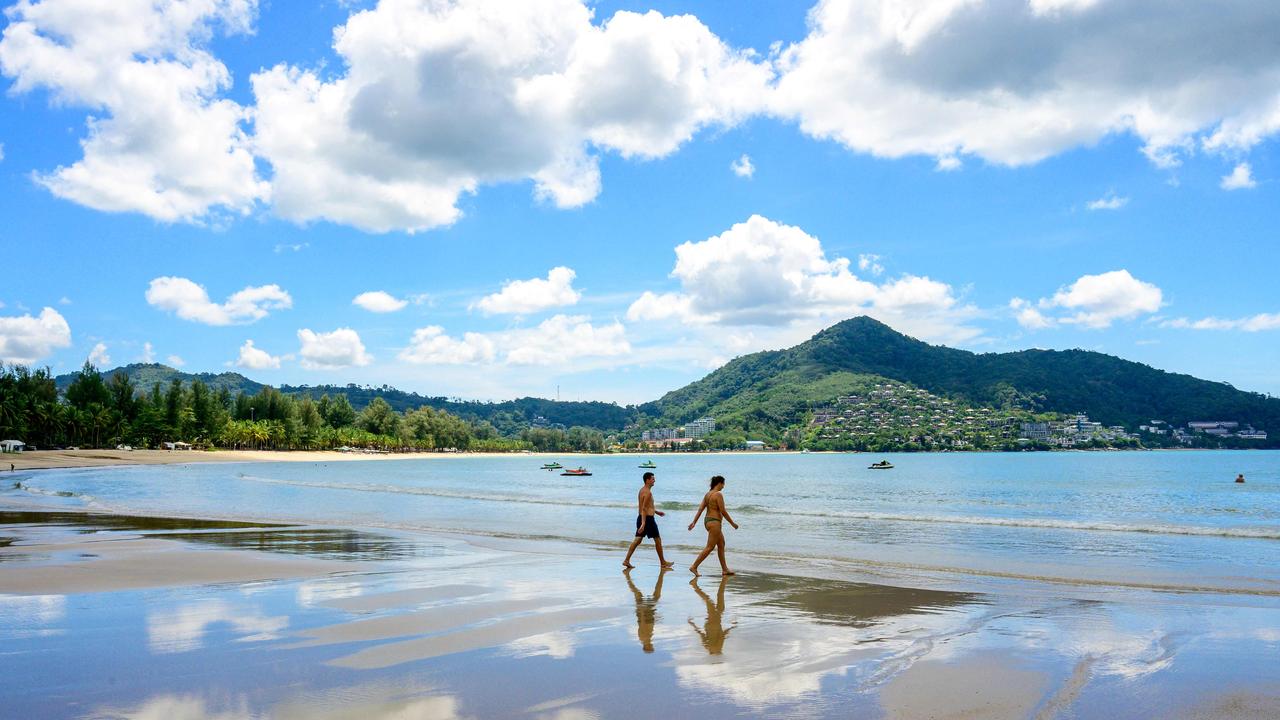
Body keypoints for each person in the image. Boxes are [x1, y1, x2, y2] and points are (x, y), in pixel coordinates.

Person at [687, 475, 738, 576]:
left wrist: (694, 522)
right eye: (723, 484)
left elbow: (700, 509)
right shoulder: (718, 494)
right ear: (719, 483)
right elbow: (723, 511)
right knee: (710, 547)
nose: (723, 486)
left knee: (721, 544)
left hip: (707, 521)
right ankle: (694, 566)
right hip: (715, 522)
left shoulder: (707, 494)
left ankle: (725, 569)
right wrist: (732, 523)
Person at [623, 472, 674, 569]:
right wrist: (643, 523)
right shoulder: (648, 492)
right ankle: (663, 562)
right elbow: (644, 509)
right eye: (653, 479)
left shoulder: (642, 490)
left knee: (637, 540)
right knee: (658, 540)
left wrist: (657, 512)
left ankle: (626, 560)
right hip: (647, 520)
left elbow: (647, 507)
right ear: (647, 480)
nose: (654, 480)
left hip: (642, 517)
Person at [688, 575, 735, 655]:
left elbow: (722, 635)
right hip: (713, 622)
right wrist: (693, 625)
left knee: (709, 601)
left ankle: (694, 586)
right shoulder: (709, 647)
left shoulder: (715, 647)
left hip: (714, 622)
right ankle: (724, 580)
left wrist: (731, 627)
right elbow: (701, 634)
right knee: (716, 600)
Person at [624, 567, 667, 653]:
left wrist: (642, 612)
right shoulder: (645, 638)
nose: (652, 645)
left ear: (646, 646)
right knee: (641, 594)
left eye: (651, 647)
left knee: (650, 595)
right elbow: (644, 625)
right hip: (646, 614)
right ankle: (628, 578)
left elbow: (642, 625)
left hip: (645, 612)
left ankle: (628, 578)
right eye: (652, 646)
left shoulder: (644, 638)